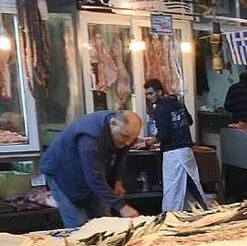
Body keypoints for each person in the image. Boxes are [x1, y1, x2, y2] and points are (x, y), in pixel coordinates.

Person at [40, 110, 142, 228]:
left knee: (104, 221)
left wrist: (117, 180)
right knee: (78, 225)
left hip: (89, 170)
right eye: (125, 136)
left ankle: (106, 245)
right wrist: (122, 207)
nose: (128, 142)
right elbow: (94, 178)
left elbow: (121, 154)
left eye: (132, 139)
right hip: (60, 170)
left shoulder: (125, 131)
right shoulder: (91, 138)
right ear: (112, 124)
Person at [144, 79, 206, 213]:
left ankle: (171, 216)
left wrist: (146, 143)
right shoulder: (177, 103)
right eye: (147, 95)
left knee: (172, 187)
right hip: (186, 150)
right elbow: (189, 121)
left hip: (173, 152)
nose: (148, 97)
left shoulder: (160, 109)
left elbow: (163, 135)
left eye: (150, 93)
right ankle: (199, 211)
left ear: (159, 92)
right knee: (191, 183)